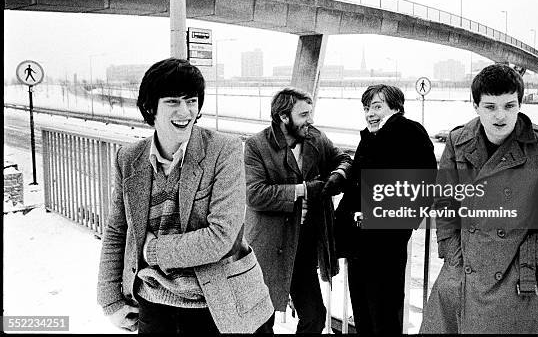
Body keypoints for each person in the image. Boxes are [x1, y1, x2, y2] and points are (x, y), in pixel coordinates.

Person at [97, 58, 273, 334]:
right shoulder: (129, 158)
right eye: (173, 101)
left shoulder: (223, 151)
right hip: (154, 306)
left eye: (191, 100)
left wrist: (152, 250)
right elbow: (118, 231)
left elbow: (221, 238)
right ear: (149, 107)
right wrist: (109, 301)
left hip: (219, 305)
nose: (185, 111)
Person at [420, 64, 538, 334]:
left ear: (520, 103)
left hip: (512, 283)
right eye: (490, 106)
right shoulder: (458, 141)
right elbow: (445, 202)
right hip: (460, 279)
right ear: (476, 106)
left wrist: (528, 269)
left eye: (509, 105)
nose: (500, 116)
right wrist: (456, 258)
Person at [244, 87, 352, 333]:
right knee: (262, 321)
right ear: (284, 117)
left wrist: (338, 174)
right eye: (303, 115)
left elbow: (343, 158)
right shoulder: (256, 146)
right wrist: (304, 189)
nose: (310, 120)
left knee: (314, 316)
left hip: (302, 246)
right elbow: (255, 194)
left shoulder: (315, 138)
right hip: (268, 247)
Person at [334, 84, 437, 334]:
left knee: (383, 313)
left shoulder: (408, 132)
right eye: (367, 108)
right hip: (361, 241)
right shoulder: (372, 136)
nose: (370, 113)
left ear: (396, 107)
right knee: (364, 311)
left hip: (383, 243)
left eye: (377, 106)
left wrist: (396, 226)